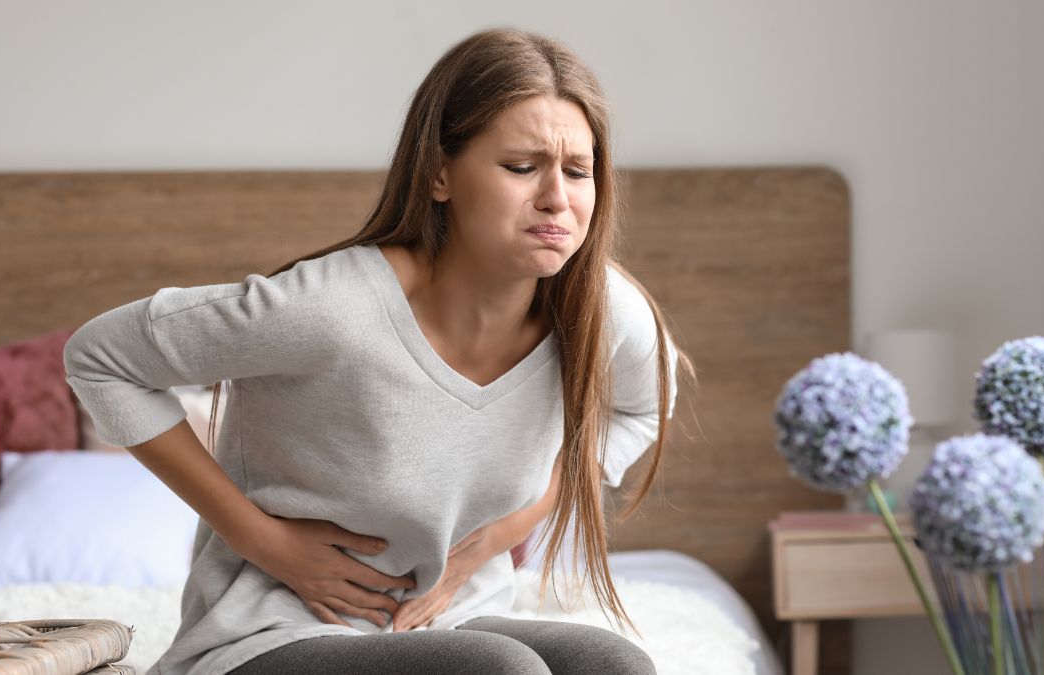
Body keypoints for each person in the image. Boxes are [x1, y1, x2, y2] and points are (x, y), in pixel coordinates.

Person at [64, 26, 691, 675]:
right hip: (274, 635)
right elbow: (102, 356)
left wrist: (501, 534)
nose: (557, 199)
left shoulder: (601, 311)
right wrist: (265, 539)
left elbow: (640, 410)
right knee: (502, 671)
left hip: (451, 618)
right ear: (441, 173)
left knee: (612, 664)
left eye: (578, 170)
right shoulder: (336, 308)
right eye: (521, 167)